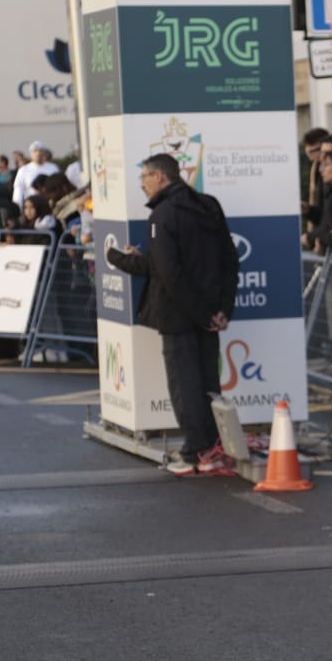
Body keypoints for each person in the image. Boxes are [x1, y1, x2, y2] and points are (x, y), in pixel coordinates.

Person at [105, 153, 239, 476]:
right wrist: (221, 310)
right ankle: (215, 447)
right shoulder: (210, 205)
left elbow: (169, 274)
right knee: (208, 383)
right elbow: (229, 260)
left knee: (185, 385)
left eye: (144, 178)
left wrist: (202, 314)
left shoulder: (163, 215)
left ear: (161, 177)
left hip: (180, 316)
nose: (141, 185)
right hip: (209, 314)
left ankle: (195, 451)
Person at [11, 142, 61, 207]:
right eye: (35, 151)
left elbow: (59, 187)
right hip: (31, 206)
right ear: (31, 154)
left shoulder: (53, 168)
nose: (38, 153)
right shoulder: (23, 170)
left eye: (40, 151)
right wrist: (18, 208)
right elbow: (18, 191)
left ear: (44, 153)